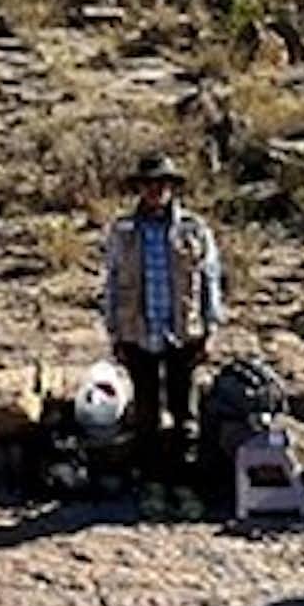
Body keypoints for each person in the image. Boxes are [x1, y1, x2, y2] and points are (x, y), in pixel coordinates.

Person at [103, 153, 225, 485]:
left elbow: (210, 279)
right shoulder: (123, 231)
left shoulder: (193, 229)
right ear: (139, 188)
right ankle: (152, 481)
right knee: (146, 414)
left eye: (162, 183)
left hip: (184, 332)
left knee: (185, 411)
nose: (156, 190)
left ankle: (184, 481)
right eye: (149, 184)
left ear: (172, 187)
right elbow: (112, 281)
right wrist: (113, 332)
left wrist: (211, 329)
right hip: (137, 331)